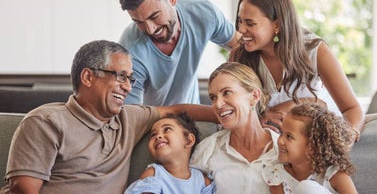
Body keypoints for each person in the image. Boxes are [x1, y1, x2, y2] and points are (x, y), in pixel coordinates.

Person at [0, 40, 216, 194]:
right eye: (121, 76)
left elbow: (174, 111)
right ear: (88, 77)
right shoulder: (46, 121)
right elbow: (23, 189)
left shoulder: (129, 118)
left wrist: (223, 115)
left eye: (131, 79)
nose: (128, 87)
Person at [229, 0, 364, 140]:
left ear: (277, 25)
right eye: (240, 21)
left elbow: (352, 109)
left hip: (314, 141)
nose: (241, 30)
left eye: (250, 23)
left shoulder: (315, 51)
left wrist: (346, 140)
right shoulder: (239, 57)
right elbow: (235, 112)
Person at [118, 0, 238, 106]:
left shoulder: (204, 13)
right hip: (152, 124)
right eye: (139, 22)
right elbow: (131, 116)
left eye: (154, 16)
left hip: (193, 120)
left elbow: (240, 45)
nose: (150, 29)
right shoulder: (130, 51)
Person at [190, 62, 279, 194]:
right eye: (213, 98)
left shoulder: (283, 150)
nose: (218, 104)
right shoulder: (208, 150)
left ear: (254, 96)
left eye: (227, 92)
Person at [263, 103, 357, 194]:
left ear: (313, 146)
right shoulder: (277, 174)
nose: (280, 141)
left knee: (306, 188)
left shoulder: (334, 174)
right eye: (281, 133)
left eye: (289, 136)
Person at [124, 112, 215, 194]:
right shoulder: (154, 174)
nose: (158, 136)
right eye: (153, 135)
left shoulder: (203, 181)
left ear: (188, 140)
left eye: (167, 129)